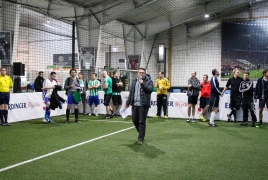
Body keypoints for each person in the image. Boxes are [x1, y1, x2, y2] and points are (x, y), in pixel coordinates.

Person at [126, 67, 154, 145]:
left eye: (142, 73)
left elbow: (150, 90)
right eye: (140, 72)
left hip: (143, 104)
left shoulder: (149, 81)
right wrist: (128, 102)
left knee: (141, 121)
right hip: (135, 104)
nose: (141, 74)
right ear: (138, 73)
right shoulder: (134, 80)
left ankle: (140, 138)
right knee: (134, 120)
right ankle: (141, 133)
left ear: (145, 74)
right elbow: (131, 92)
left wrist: (143, 83)